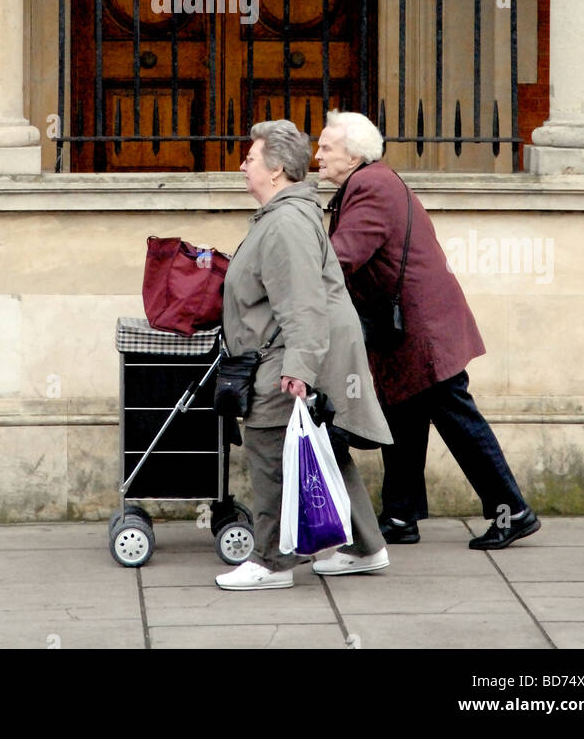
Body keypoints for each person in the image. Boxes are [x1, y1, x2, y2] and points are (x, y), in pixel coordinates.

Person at [316, 110, 540, 550]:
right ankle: (400, 517)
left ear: (354, 153)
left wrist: (291, 278)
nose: (317, 155)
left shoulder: (370, 185)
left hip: (423, 330)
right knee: (402, 414)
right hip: (411, 328)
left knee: (457, 419)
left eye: (326, 147)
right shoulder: (367, 183)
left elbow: (341, 257)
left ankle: (511, 510)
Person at [215, 119, 393, 590]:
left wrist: (297, 368)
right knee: (325, 447)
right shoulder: (285, 216)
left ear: (275, 170)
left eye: (250, 160)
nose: (242, 167)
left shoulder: (286, 223)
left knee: (269, 446)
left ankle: (271, 562)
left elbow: (302, 303)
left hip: (287, 354)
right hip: (296, 348)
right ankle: (365, 546)